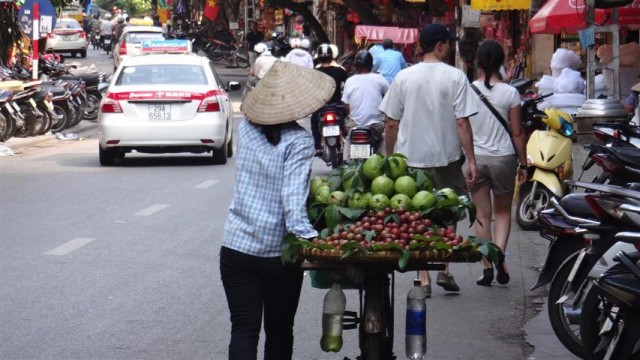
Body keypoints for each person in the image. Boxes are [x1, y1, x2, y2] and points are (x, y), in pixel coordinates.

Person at [221, 60, 335, 360]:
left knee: (243, 331)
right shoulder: (298, 140)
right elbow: (292, 200)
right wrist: (312, 239)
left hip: (236, 248)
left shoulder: (246, 129)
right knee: (280, 330)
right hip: (278, 256)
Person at [379, 24, 478, 297]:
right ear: (440, 45)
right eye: (448, 44)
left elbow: (390, 123)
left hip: (410, 159)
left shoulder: (404, 77)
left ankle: (423, 277)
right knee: (449, 210)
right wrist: (471, 159)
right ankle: (445, 267)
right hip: (447, 157)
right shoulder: (456, 77)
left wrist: (390, 159)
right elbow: (462, 122)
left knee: (418, 215)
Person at [468, 40, 527, 286]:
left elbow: (462, 127)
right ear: (502, 62)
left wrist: (467, 158)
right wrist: (524, 163)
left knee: (482, 214)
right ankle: (500, 255)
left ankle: (487, 267)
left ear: (478, 63)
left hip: (477, 159)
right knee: (502, 212)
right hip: (504, 158)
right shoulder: (511, 93)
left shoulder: (469, 89)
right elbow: (517, 133)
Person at [341, 51, 390, 160]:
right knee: (382, 139)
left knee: (349, 138)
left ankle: (346, 162)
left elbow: (346, 105)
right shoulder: (379, 78)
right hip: (375, 125)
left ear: (356, 66)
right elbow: (390, 95)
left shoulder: (350, 81)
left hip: (354, 124)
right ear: (371, 65)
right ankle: (383, 163)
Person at [311, 44, 349, 155]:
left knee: (314, 121)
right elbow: (348, 86)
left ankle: (317, 147)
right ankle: (346, 138)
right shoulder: (340, 71)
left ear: (319, 57)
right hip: (337, 106)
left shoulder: (315, 72)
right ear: (332, 56)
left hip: (321, 107)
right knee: (347, 120)